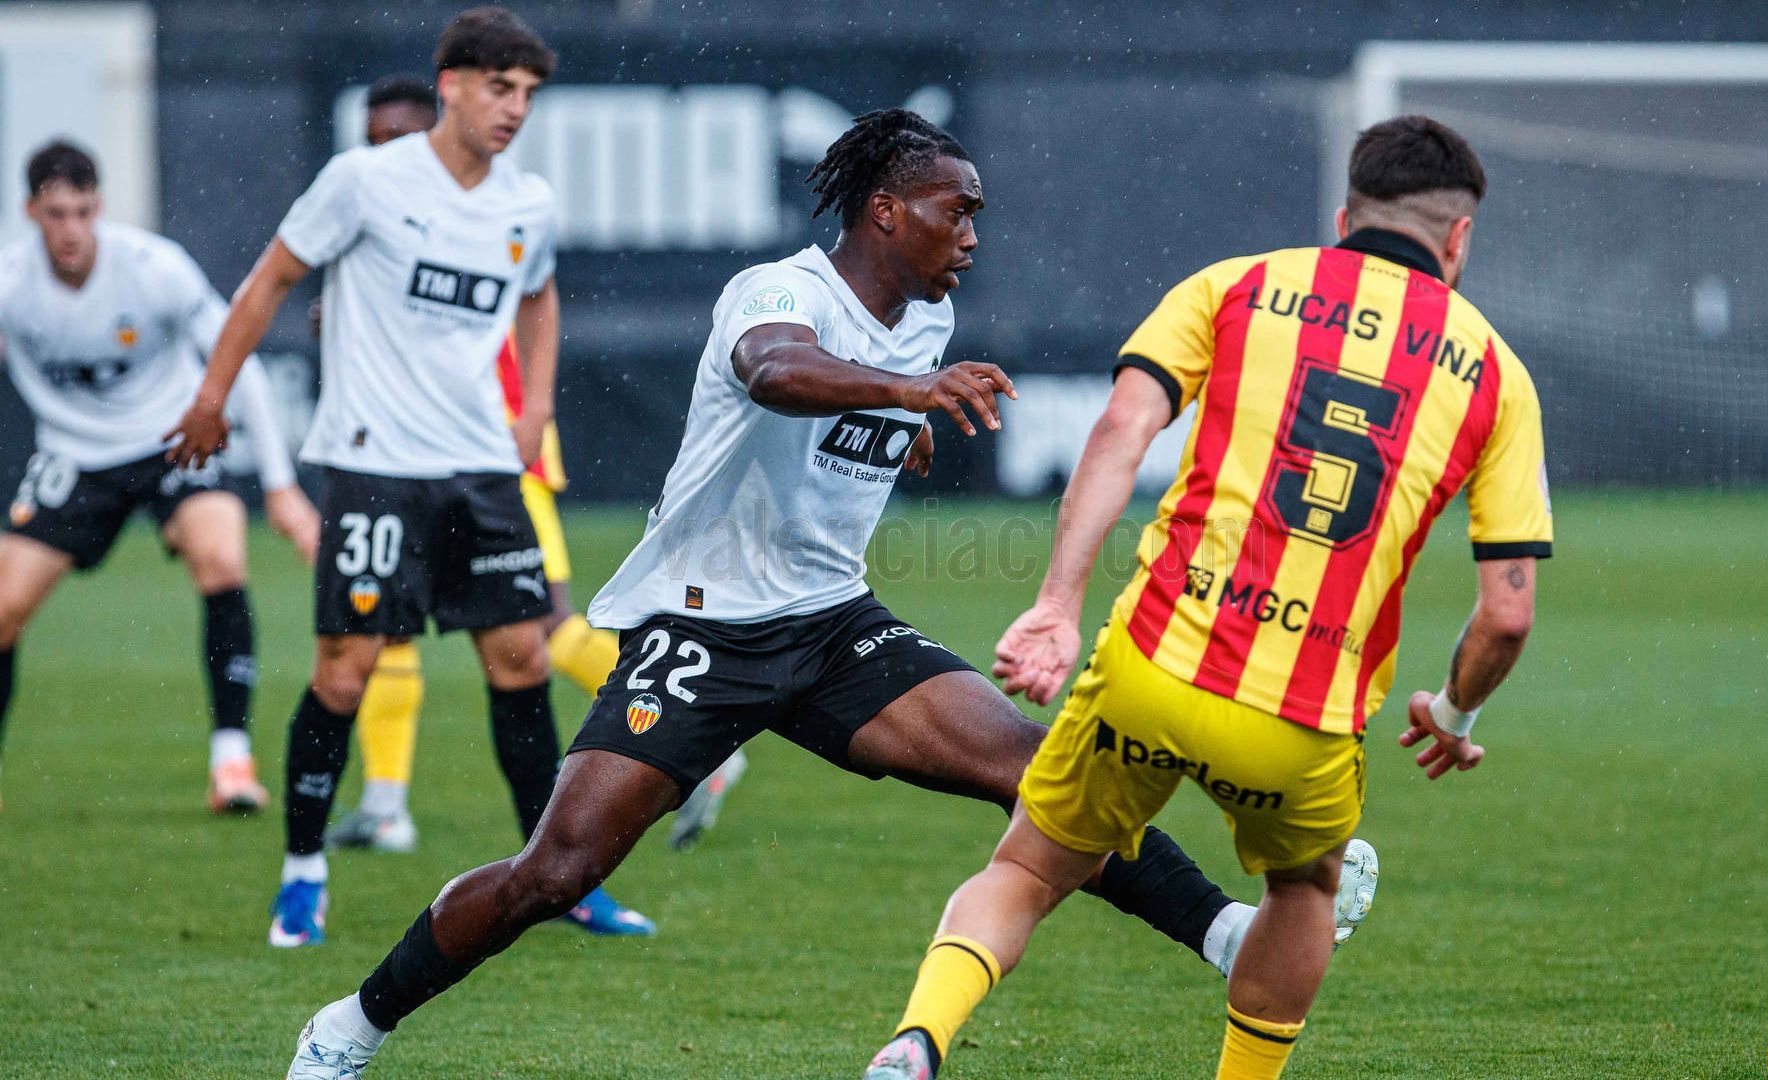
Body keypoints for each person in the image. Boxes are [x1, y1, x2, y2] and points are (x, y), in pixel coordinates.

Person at [278, 106, 1377, 1077]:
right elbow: (774, 370)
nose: (974, 236)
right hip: (702, 630)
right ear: (888, 211)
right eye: (959, 211)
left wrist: (898, 428)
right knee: (553, 873)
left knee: (1041, 772)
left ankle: (1225, 934)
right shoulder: (780, 289)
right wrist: (906, 393)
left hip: (830, 623)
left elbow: (846, 422)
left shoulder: (927, 322)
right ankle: (350, 1026)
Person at [861, 114, 1552, 1080]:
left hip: (1157, 660)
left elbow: (1119, 432)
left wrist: (1059, 604)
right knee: (1308, 890)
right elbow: (1508, 612)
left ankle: (918, 1041)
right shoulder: (1496, 375)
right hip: (1301, 715)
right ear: (1460, 237)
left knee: (1024, 869)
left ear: (1345, 214)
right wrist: (1455, 708)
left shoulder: (1242, 285)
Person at [166, 6, 645, 946]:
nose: (514, 110)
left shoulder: (526, 202)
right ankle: (303, 872)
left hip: (478, 473)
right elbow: (269, 281)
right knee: (344, 673)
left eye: (528, 95)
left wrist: (535, 406)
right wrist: (212, 397)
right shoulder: (366, 182)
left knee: (522, 660)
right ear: (453, 85)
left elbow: (540, 295)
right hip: (374, 470)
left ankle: (558, 878)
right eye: (499, 89)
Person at [321, 73, 747, 858]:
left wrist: (528, 420)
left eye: (396, 139)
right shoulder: (373, 217)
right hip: (400, 456)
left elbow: (517, 313)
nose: (384, 155)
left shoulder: (484, 210)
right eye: (372, 141)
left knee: (541, 628)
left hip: (489, 455)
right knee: (387, 630)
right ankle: (384, 805)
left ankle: (696, 740)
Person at [0, 139, 317, 814]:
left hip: (172, 440)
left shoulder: (152, 268)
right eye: (56, 213)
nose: (72, 230)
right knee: (4, 610)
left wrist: (281, 486)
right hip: (75, 455)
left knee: (221, 560)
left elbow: (243, 363)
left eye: (83, 211)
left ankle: (231, 761)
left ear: (100, 207)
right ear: (31, 211)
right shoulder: (10, 284)